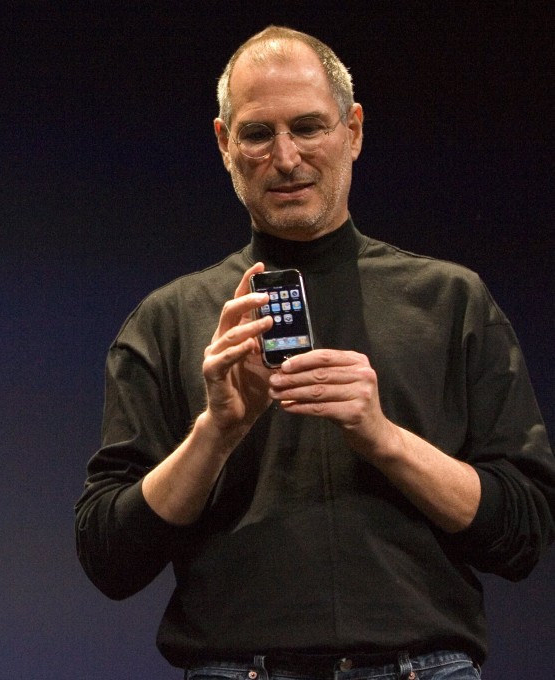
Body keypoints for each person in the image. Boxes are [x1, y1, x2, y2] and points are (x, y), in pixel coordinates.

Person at [74, 25, 555, 680]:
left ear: (352, 131)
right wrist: (214, 435)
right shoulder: (169, 320)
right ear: (224, 144)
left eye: (308, 127)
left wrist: (384, 439)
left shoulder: (451, 301)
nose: (286, 157)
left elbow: (525, 529)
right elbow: (109, 556)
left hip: (425, 666)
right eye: (257, 133)